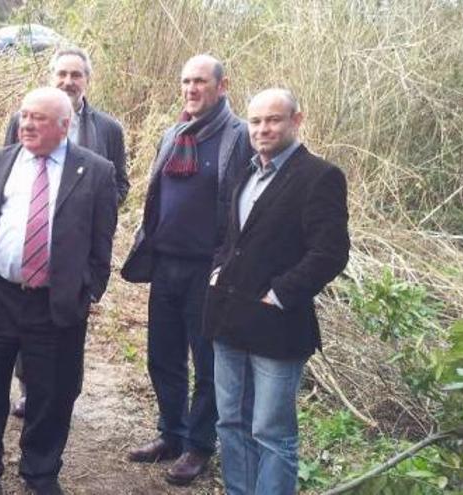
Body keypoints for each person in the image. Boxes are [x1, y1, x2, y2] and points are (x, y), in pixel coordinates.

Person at [0, 87, 118, 495]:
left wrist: (87, 291)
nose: (27, 123)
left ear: (64, 125)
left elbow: (101, 242)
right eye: (24, 115)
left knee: (52, 395)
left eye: (38, 117)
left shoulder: (96, 171)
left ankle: (40, 472)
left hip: (55, 303)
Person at [204, 88, 350, 494]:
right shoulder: (247, 171)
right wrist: (218, 269)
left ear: (296, 121)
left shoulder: (320, 176)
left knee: (271, 433)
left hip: (278, 326)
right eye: (256, 121)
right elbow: (232, 237)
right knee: (230, 422)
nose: (263, 128)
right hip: (229, 320)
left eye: (273, 120)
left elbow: (330, 253)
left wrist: (280, 294)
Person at [120, 54, 251, 486]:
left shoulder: (239, 137)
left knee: (207, 363)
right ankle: (171, 435)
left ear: (222, 85)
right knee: (163, 357)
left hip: (209, 272)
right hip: (166, 267)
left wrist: (228, 265)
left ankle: (198, 446)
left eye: (199, 82)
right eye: (185, 82)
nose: (191, 90)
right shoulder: (174, 134)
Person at [3, 46, 128, 418]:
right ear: (51, 76)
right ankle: (28, 389)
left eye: (76, 75)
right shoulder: (21, 120)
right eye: (62, 74)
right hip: (32, 241)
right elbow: (7, 172)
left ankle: (61, 394)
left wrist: (94, 211)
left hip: (77, 249)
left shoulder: (108, 128)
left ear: (88, 80)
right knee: (25, 320)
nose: (68, 81)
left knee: (67, 323)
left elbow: (119, 182)